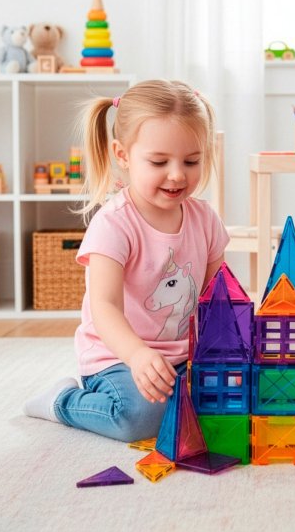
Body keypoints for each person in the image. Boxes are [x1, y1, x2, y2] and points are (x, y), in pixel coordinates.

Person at [22, 79, 229, 442]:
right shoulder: (114, 224)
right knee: (141, 417)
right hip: (117, 357)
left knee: (229, 400)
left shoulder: (205, 219)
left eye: (191, 161)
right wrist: (137, 356)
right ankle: (62, 400)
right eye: (159, 161)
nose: (177, 174)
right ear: (122, 155)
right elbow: (104, 308)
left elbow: (218, 296)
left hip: (183, 356)